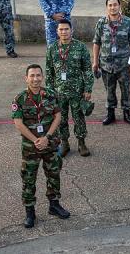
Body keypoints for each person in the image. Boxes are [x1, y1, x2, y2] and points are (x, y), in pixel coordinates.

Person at [11, 64, 70, 229]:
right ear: (26, 78)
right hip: (31, 147)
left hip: (50, 144)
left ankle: (54, 205)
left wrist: (47, 137)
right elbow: (18, 123)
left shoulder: (50, 95)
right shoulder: (20, 99)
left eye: (38, 75)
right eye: (32, 76)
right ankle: (30, 211)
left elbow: (58, 116)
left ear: (42, 77)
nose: (35, 79)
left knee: (53, 173)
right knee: (29, 178)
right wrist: (36, 140)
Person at [45, 20, 94, 157]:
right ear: (57, 31)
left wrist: (88, 89)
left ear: (71, 30)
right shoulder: (52, 48)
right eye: (61, 29)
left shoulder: (80, 47)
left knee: (79, 117)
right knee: (61, 118)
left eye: (66, 29)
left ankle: (81, 143)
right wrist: (50, 92)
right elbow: (49, 72)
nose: (64, 32)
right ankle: (65, 143)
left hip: (77, 91)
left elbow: (87, 70)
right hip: (59, 92)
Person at [92, 0, 130, 125]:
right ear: (107, 7)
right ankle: (110, 113)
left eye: (115, 5)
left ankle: (127, 113)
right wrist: (95, 62)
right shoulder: (101, 22)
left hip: (124, 64)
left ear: (119, 6)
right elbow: (96, 42)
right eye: (110, 5)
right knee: (109, 90)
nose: (113, 7)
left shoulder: (128, 22)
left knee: (125, 89)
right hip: (106, 64)